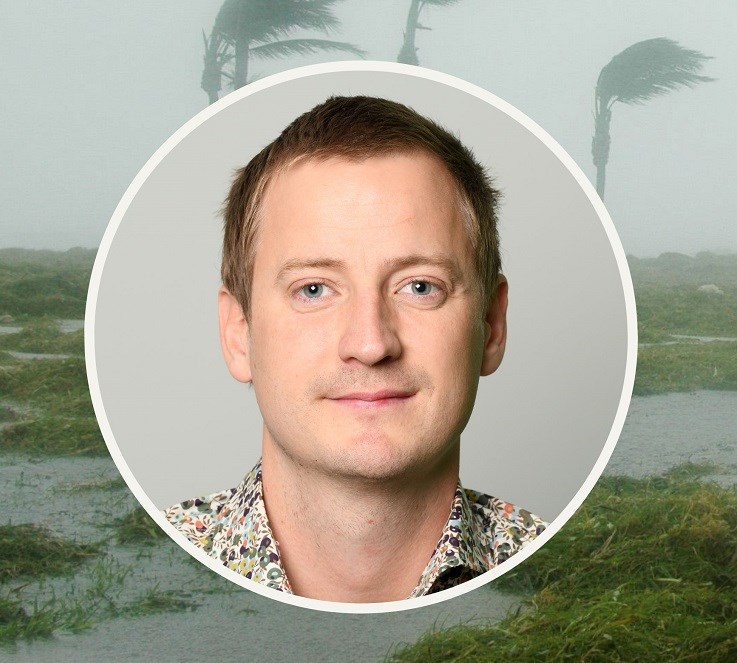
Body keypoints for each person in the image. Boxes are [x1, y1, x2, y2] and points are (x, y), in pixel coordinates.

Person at [165, 95, 544, 603]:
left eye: (420, 287)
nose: (370, 344)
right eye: (314, 289)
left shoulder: (569, 577)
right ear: (238, 333)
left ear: (492, 326)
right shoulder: (154, 566)